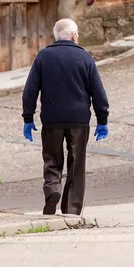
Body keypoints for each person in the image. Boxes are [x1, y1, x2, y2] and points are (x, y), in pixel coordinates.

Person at [22, 18, 109, 216]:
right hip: (79, 120)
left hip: (52, 120)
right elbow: (98, 92)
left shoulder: (44, 57)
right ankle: (71, 209)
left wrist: (28, 118)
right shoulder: (84, 57)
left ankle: (53, 189)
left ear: (56, 35)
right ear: (74, 35)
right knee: (76, 163)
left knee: (52, 159)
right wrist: (102, 119)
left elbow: (30, 90)